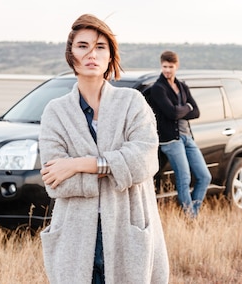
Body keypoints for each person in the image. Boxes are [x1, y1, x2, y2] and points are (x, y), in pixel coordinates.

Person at [38, 14, 169, 284]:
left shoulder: (132, 103)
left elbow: (145, 161)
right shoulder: (55, 112)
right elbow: (55, 182)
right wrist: (117, 169)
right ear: (71, 54)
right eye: (82, 46)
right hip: (76, 237)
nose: (91, 54)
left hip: (126, 230)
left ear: (110, 56)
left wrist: (77, 164)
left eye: (100, 47)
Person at [147, 50, 211, 218]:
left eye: (171, 67)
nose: (167, 70)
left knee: (205, 176)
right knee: (184, 179)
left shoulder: (182, 86)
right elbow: (171, 113)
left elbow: (196, 111)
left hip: (187, 137)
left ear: (177, 66)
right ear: (161, 66)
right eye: (164, 66)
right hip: (170, 140)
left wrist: (183, 109)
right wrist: (186, 108)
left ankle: (193, 213)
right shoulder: (158, 89)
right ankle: (191, 218)